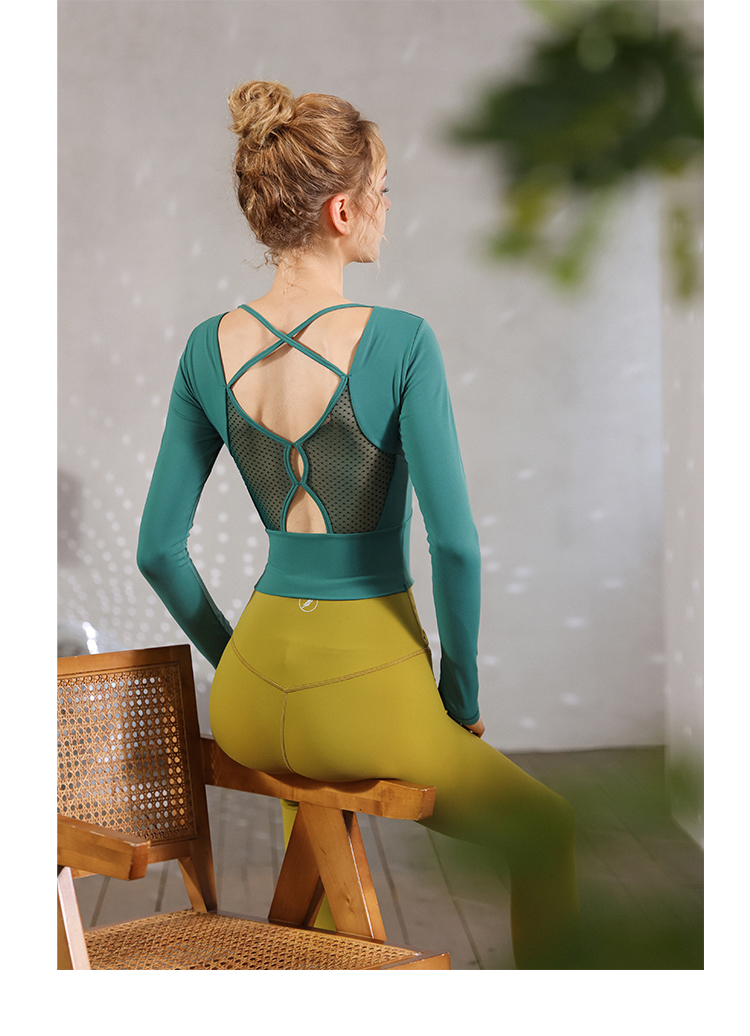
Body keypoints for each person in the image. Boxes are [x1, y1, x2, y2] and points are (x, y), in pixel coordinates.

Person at [137, 80, 579, 969]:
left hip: (251, 701)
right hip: (369, 696)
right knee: (547, 829)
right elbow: (456, 546)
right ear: (342, 211)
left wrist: (236, 656)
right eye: (382, 190)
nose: (387, 207)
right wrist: (462, 700)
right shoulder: (403, 341)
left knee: (316, 804)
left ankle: (323, 974)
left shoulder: (204, 348)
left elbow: (158, 551)